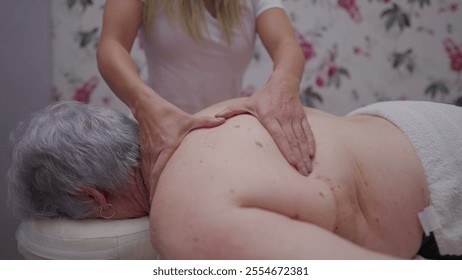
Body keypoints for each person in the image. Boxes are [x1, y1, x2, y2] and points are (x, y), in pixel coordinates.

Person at [7, 98, 462, 259]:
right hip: (409, 125)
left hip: (442, 180)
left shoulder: (182, 219)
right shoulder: (200, 119)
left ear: (93, 198)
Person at [96, 0, 316, 194]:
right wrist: (143, 105)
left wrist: (284, 84)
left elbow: (286, 45)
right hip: (159, 133)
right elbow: (112, 44)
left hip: (220, 138)